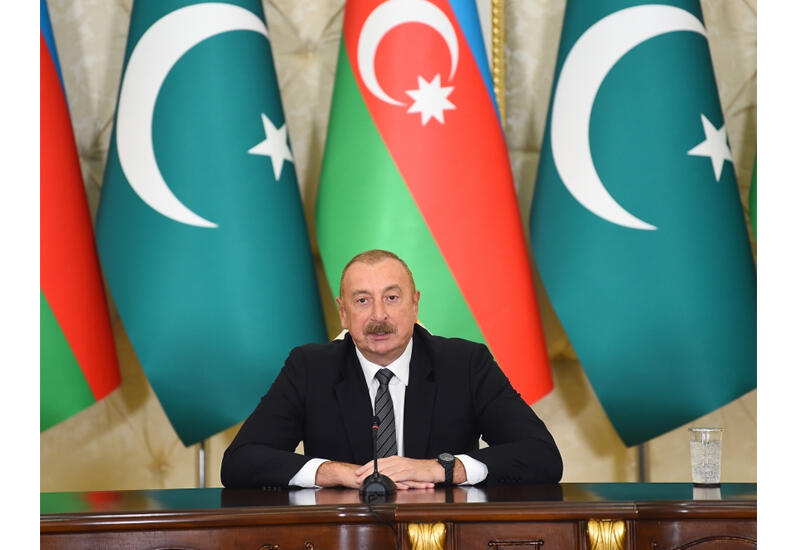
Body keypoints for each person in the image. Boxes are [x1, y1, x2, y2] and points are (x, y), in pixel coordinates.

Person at [221, 250, 562, 489]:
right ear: (343, 313)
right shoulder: (310, 368)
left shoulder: (465, 363)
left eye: (392, 298)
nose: (379, 316)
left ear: (415, 303)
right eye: (362, 300)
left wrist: (442, 469)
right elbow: (240, 461)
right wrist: (335, 473)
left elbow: (542, 455)